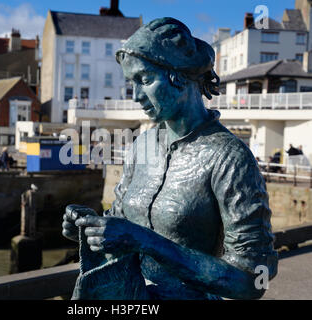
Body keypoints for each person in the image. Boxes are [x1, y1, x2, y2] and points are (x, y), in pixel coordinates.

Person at [62, 18, 277, 300]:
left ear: (180, 77)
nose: (136, 95)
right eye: (132, 83)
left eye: (146, 80)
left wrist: (146, 241)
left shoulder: (229, 158)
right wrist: (92, 228)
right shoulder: (142, 144)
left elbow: (252, 280)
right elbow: (120, 221)